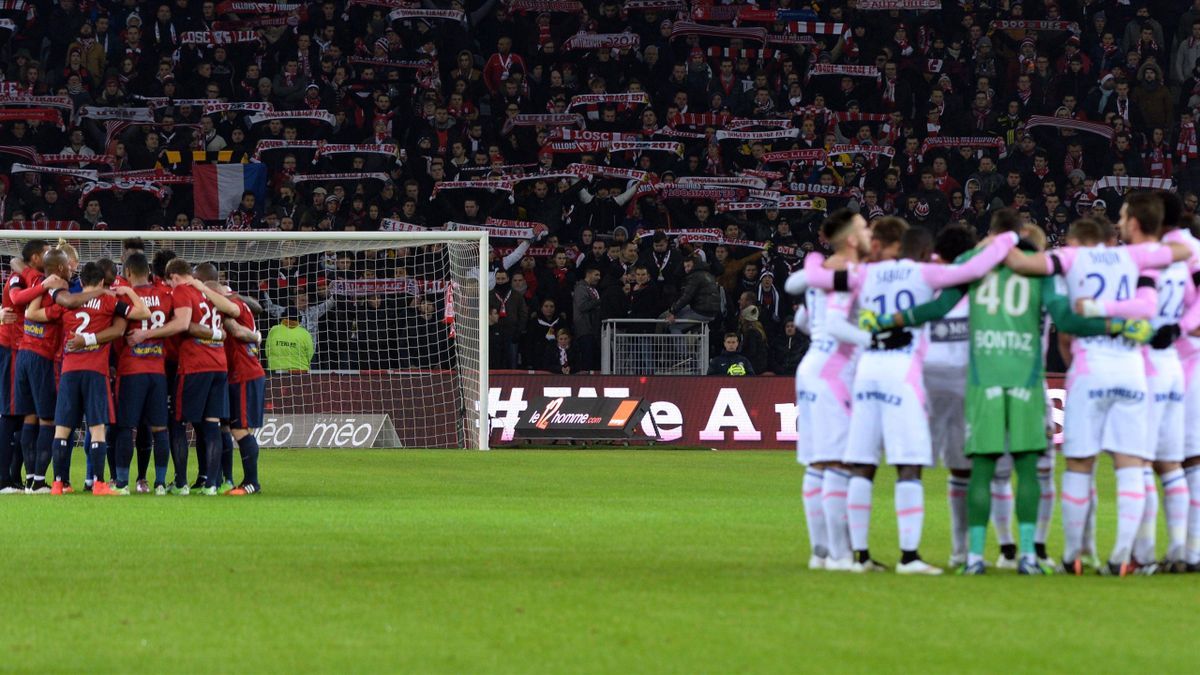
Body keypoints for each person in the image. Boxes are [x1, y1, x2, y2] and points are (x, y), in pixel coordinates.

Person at [870, 210, 1152, 574]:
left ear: (992, 234)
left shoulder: (974, 262)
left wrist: (891, 320)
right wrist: (1118, 325)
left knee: (983, 469)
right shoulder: (1037, 265)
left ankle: (973, 557)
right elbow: (1065, 320)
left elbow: (939, 306)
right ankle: (1029, 557)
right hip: (1026, 378)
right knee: (1029, 470)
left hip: (983, 378)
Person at [793, 216, 1021, 574]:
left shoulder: (863, 274)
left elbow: (813, 279)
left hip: (867, 371)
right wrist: (1006, 238)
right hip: (903, 374)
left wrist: (812, 261)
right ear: (913, 247)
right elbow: (972, 268)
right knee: (908, 466)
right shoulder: (922, 273)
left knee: (861, 466)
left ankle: (860, 556)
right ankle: (909, 557)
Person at [1005, 193, 1192, 575]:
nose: (1120, 221)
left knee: (1078, 464)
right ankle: (1122, 556)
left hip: (1090, 369)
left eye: (1124, 216)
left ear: (1134, 222)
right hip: (1132, 371)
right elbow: (1172, 263)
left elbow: (1022, 264)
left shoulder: (1072, 257)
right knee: (1131, 465)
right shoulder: (1137, 257)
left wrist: (1004, 241)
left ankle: (1073, 555)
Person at [783, 209, 873, 571]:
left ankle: (820, 552)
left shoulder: (821, 274)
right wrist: (874, 341)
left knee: (818, 462)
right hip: (835, 370)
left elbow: (805, 318)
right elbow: (835, 324)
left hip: (812, 366)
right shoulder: (847, 273)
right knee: (837, 461)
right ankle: (839, 555)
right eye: (865, 228)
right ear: (851, 238)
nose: (869, 232)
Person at [128, 258, 243, 496]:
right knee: (211, 425)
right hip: (218, 364)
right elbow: (234, 310)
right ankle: (211, 484)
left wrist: (146, 334)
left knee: (177, 422)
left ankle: (181, 482)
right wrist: (216, 332)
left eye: (169, 280)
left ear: (174, 277)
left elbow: (181, 324)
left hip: (195, 365)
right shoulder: (210, 292)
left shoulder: (181, 290)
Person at [32, 261, 149, 495]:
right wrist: (128, 292)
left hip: (69, 370)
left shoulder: (67, 302)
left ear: (82, 281)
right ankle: (99, 483)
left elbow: (32, 313)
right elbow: (143, 312)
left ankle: (57, 483)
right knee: (97, 428)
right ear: (102, 282)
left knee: (62, 429)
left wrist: (45, 287)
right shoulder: (108, 301)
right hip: (96, 371)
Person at [113, 253, 175, 495]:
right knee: (160, 428)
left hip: (131, 370)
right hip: (157, 371)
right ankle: (159, 483)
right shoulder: (165, 296)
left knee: (127, 428)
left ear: (128, 273)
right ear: (148, 271)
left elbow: (118, 334)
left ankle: (121, 484)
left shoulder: (126, 298)